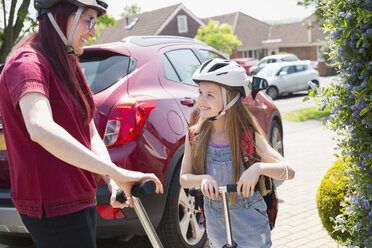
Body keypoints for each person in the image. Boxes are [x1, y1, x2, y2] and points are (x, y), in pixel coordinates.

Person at [0, 1, 163, 247]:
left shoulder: (69, 62)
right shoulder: (27, 64)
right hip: (53, 203)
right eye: (88, 20)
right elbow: (40, 128)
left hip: (81, 196)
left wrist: (110, 178)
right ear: (59, 15)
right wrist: (116, 172)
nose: (93, 32)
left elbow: (89, 131)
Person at [180, 58, 295, 248]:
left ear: (231, 99)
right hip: (216, 225)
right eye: (200, 92)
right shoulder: (195, 135)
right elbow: (184, 178)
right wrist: (203, 179)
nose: (201, 99)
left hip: (250, 225)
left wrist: (258, 168)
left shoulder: (248, 136)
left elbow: (288, 171)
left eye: (210, 94)